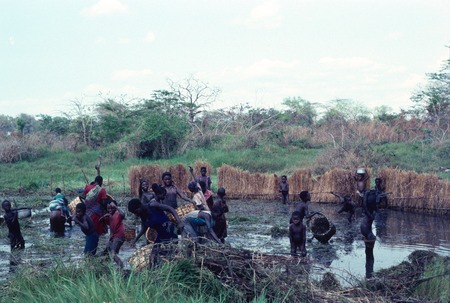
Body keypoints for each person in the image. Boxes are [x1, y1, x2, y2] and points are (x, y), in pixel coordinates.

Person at [99, 200, 125, 268]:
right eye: (108, 208)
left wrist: (116, 207)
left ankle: (122, 267)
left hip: (119, 237)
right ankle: (106, 267)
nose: (110, 210)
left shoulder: (118, 214)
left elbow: (123, 214)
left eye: (112, 208)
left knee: (113, 254)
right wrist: (105, 216)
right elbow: (100, 220)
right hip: (113, 237)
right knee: (106, 252)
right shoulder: (109, 216)